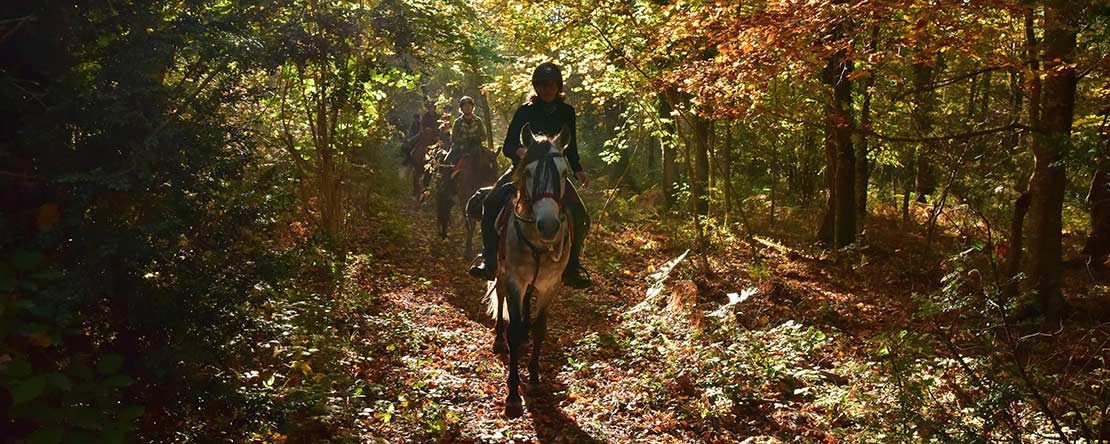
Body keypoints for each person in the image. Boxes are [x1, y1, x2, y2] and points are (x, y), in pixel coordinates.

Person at [468, 62, 592, 289]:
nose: (547, 89)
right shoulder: (525, 111)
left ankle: (572, 266)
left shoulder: (567, 112)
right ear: (536, 87)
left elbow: (570, 147)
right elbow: (508, 145)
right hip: (524, 170)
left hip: (554, 173)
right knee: (491, 202)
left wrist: (578, 169)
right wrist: (523, 153)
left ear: (558, 86)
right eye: (543, 85)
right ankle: (489, 258)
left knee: (580, 214)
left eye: (551, 85)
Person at [444, 96, 486, 165]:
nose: (467, 108)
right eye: (465, 106)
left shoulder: (478, 120)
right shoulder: (458, 122)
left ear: (472, 107)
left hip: (476, 147)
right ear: (462, 108)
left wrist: (476, 139)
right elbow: (453, 138)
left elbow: (484, 135)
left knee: (490, 158)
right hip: (460, 148)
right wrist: (465, 140)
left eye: (469, 106)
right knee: (446, 161)